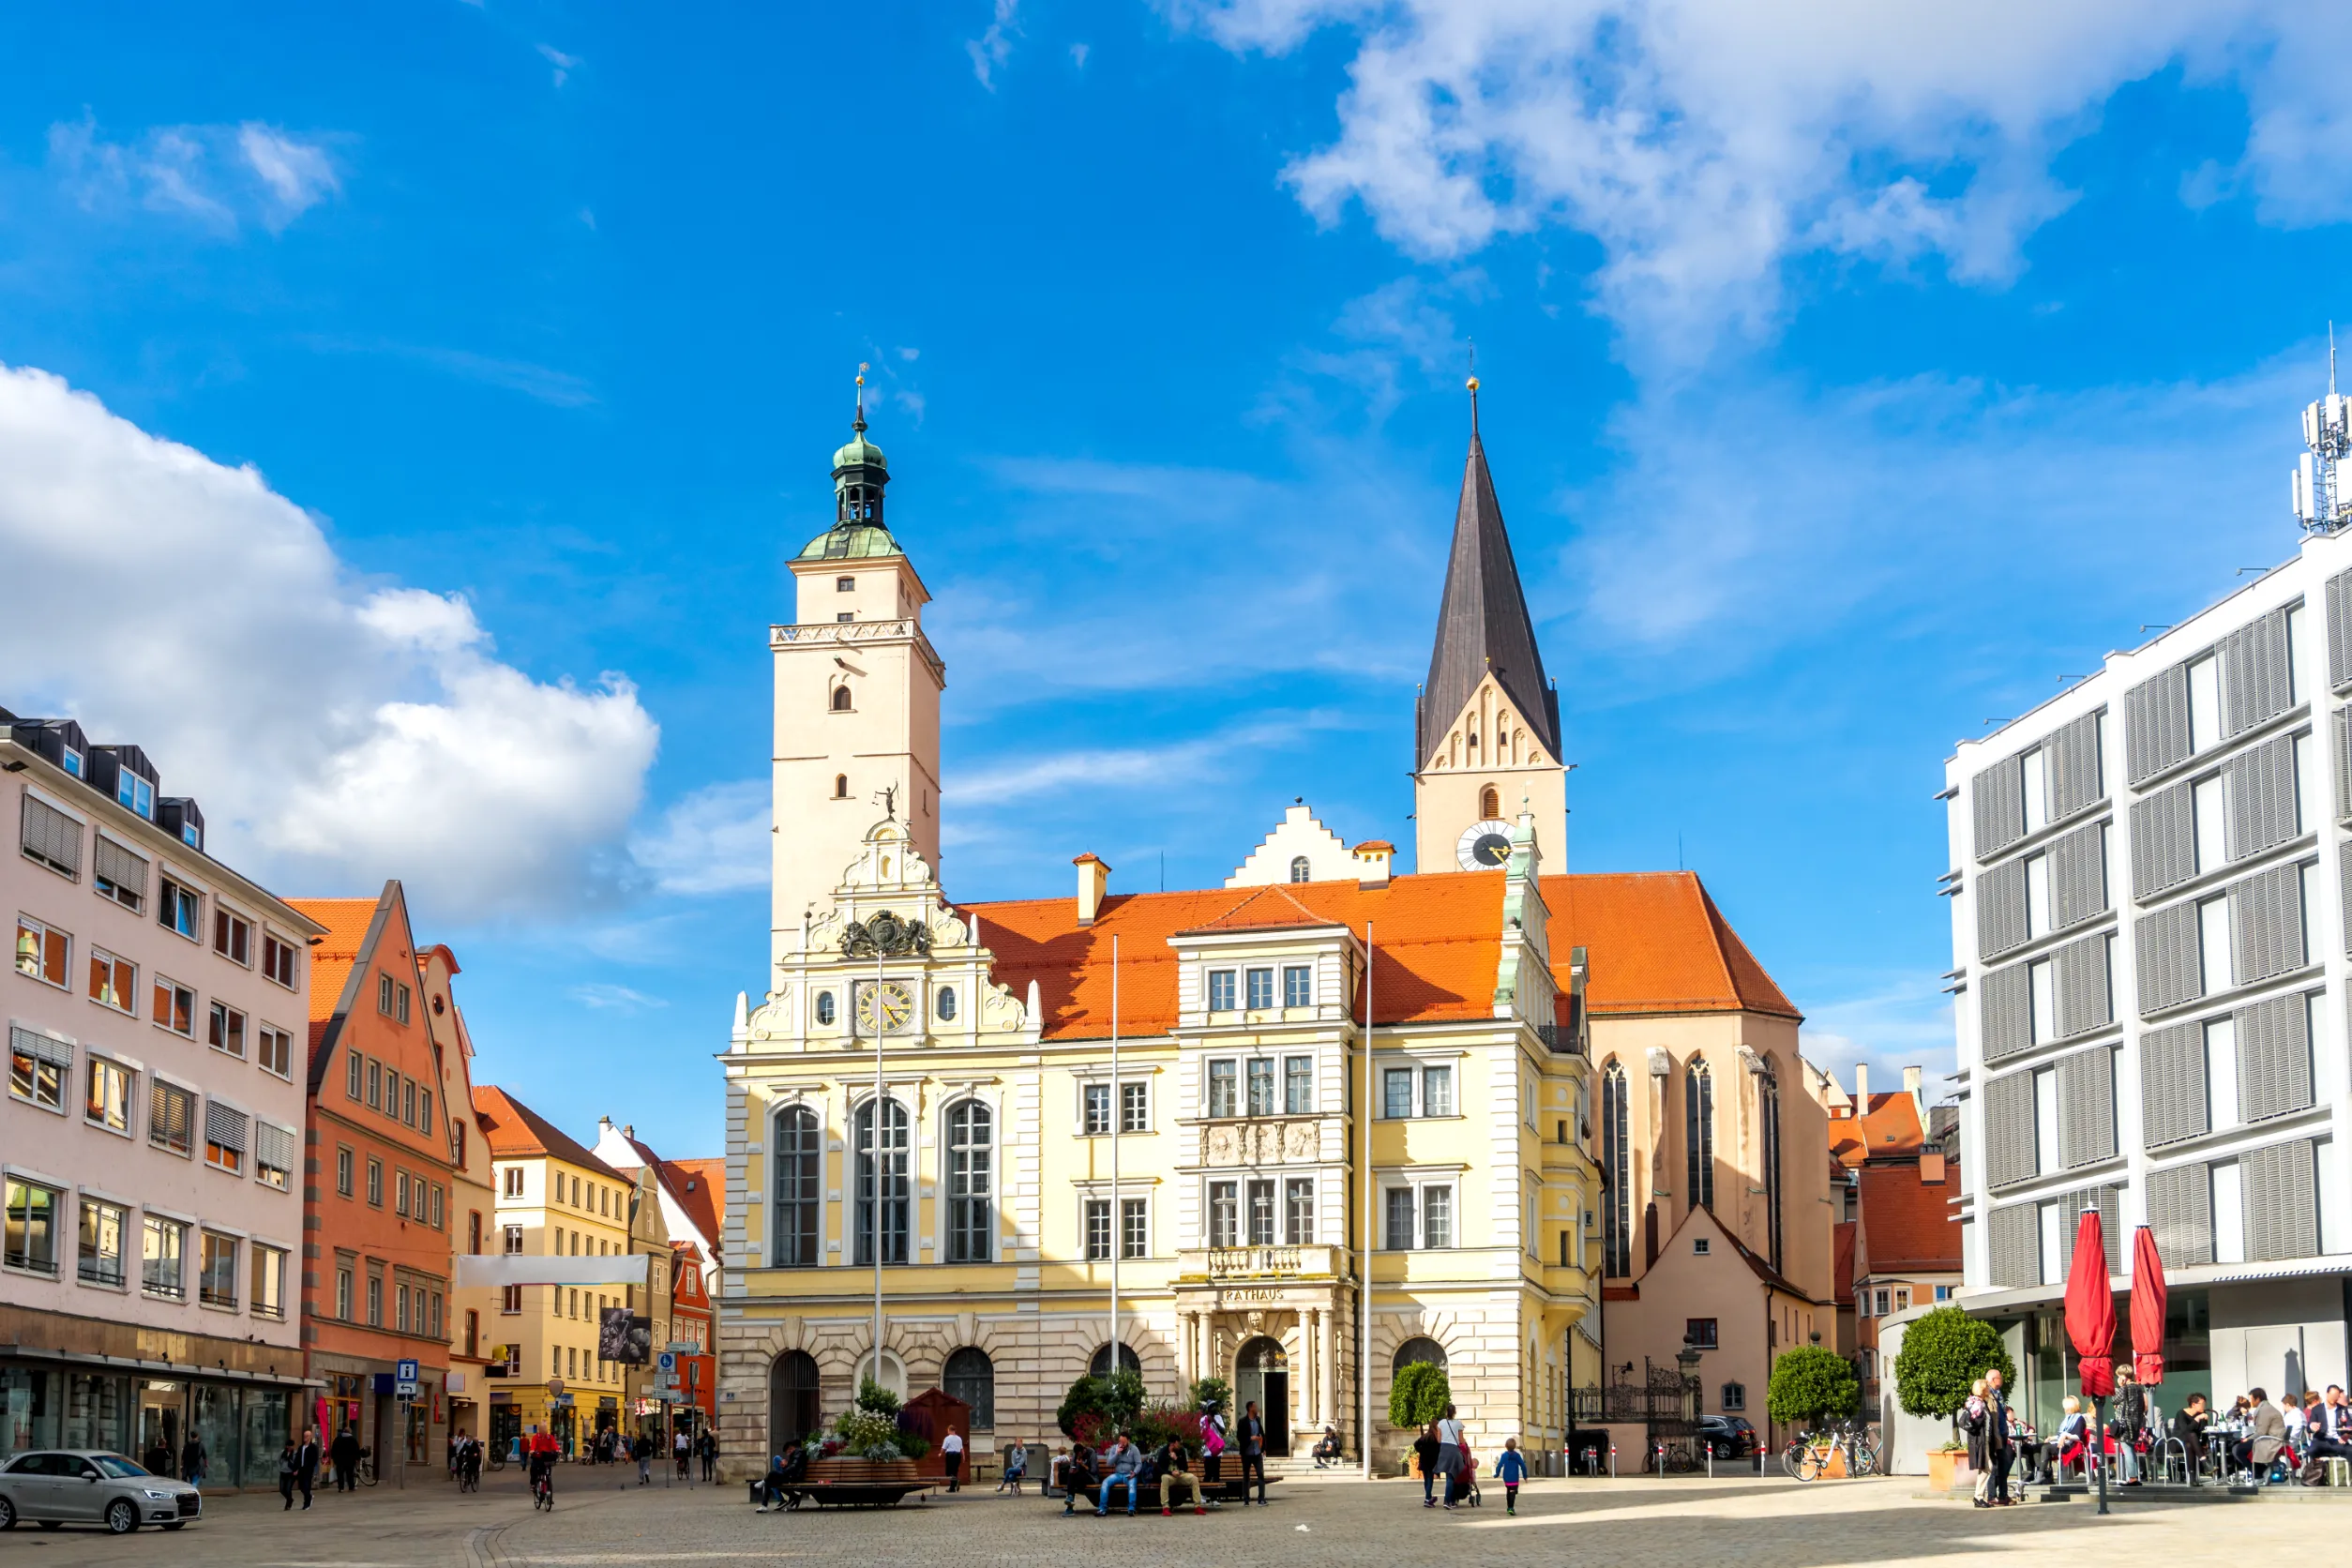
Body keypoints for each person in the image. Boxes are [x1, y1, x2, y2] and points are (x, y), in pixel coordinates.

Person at [2236, 1388, 2288, 1483]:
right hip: (2272, 1438)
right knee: (2240, 1447)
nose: (2250, 1401)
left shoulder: (2264, 1410)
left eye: (2251, 1399)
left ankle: (2260, 1474)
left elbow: (2261, 1432)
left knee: (2239, 1449)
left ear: (2258, 1399)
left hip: (2272, 1441)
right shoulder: (2266, 1408)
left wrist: (2248, 1439)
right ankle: (2261, 1471)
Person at [1984, 1368, 2016, 1505]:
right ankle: (1992, 1496)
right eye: (2000, 1378)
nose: (2002, 1380)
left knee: (2004, 1464)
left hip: (2003, 1433)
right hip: (1994, 1435)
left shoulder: (1998, 1393)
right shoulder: (1987, 1393)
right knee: (1994, 1465)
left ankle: (2003, 1495)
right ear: (1993, 1380)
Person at [1962, 1380, 1993, 1507]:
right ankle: (1978, 1496)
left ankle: (1979, 1497)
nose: (1989, 1390)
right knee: (1988, 1467)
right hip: (1980, 1439)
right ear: (1983, 1389)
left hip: (1984, 1439)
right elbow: (1975, 1422)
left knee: (1985, 1467)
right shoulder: (1978, 1404)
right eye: (1987, 1387)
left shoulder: (1978, 1402)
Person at [1097, 1434, 1143, 1516]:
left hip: (1129, 1474)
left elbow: (1139, 1464)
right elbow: (1109, 1463)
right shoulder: (1114, 1448)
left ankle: (1131, 1509)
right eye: (1120, 1441)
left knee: (1132, 1485)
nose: (1122, 1444)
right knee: (1105, 1483)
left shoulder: (1134, 1449)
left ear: (1128, 1441)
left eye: (1123, 1442)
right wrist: (1117, 1453)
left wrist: (1135, 1473)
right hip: (1118, 1474)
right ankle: (1102, 1509)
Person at [1435, 1403, 1467, 1511]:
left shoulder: (1441, 1423)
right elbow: (1461, 1440)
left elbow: (1439, 1440)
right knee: (1451, 1477)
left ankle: (1451, 1500)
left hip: (1444, 1450)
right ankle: (1447, 1500)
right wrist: (1464, 1443)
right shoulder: (1458, 1423)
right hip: (1453, 1450)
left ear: (1446, 1412)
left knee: (1449, 1476)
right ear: (1455, 1412)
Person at [1161, 1439, 1205, 1515]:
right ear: (1173, 1444)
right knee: (1164, 1478)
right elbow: (1160, 1467)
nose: (1179, 1445)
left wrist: (1177, 1459)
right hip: (1169, 1475)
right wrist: (1171, 1472)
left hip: (1180, 1475)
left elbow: (1185, 1467)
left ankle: (1197, 1507)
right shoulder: (1163, 1451)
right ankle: (1165, 1508)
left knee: (1194, 1479)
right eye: (1178, 1443)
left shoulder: (1181, 1451)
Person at [1237, 1401, 1268, 1506]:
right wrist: (1250, 1438)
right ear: (1250, 1408)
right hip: (1247, 1453)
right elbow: (1239, 1437)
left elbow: (1262, 1434)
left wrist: (1263, 1448)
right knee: (1246, 1476)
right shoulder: (1242, 1421)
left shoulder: (1258, 1420)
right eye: (1255, 1406)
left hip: (1257, 1452)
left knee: (1260, 1474)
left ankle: (1261, 1499)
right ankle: (1246, 1499)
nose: (1257, 1408)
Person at [1061, 1442, 1099, 1515]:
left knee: (1072, 1481)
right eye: (1077, 1454)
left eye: (1079, 1454)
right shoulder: (1076, 1454)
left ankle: (1069, 1507)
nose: (1078, 1456)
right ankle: (1070, 1498)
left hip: (1091, 1477)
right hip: (1079, 1478)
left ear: (1083, 1451)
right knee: (1071, 1476)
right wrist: (1073, 1468)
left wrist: (1082, 1464)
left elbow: (1093, 1471)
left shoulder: (1091, 1453)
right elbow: (1072, 1466)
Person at [1494, 1437, 1528, 1515]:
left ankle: (1509, 1507)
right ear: (1515, 1446)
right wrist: (1525, 1476)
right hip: (1514, 1478)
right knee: (1512, 1491)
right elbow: (1523, 1466)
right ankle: (1511, 1508)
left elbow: (1499, 1465)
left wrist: (1497, 1474)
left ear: (1506, 1446)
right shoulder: (1517, 1456)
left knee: (1508, 1491)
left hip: (1506, 1478)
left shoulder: (1504, 1455)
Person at [1415, 1421, 1442, 1508]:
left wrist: (1421, 1451)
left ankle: (1429, 1497)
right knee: (1430, 1480)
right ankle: (1427, 1499)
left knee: (1426, 1480)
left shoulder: (1425, 1436)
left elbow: (1416, 1444)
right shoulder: (1435, 1438)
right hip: (1431, 1462)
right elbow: (1438, 1451)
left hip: (1424, 1460)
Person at [294, 1426, 321, 1511]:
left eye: (307, 1436)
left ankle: (306, 1503)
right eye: (304, 1436)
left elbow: (315, 1459)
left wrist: (310, 1466)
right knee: (301, 1486)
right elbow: (297, 1458)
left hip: (308, 1470)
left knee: (306, 1486)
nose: (305, 1437)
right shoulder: (301, 1447)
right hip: (301, 1469)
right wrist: (296, 1468)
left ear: (310, 1437)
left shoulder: (313, 1447)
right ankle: (309, 1496)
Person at [279, 1439, 301, 1510]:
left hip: (291, 1473)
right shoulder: (282, 1453)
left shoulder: (295, 1453)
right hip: (283, 1472)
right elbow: (278, 1461)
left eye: (291, 1446)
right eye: (288, 1446)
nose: (289, 1447)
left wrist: (296, 1470)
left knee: (288, 1489)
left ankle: (288, 1504)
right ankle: (290, 1499)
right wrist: (281, 1468)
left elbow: (298, 1463)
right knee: (282, 1489)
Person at [942, 1425, 964, 1492]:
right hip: (957, 1455)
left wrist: (940, 1453)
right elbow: (961, 1449)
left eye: (948, 1430)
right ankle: (952, 1488)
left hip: (950, 1455)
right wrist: (963, 1456)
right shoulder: (959, 1438)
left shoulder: (947, 1438)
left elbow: (943, 1448)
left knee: (948, 1472)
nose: (947, 1432)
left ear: (949, 1430)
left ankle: (955, 1482)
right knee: (954, 1471)